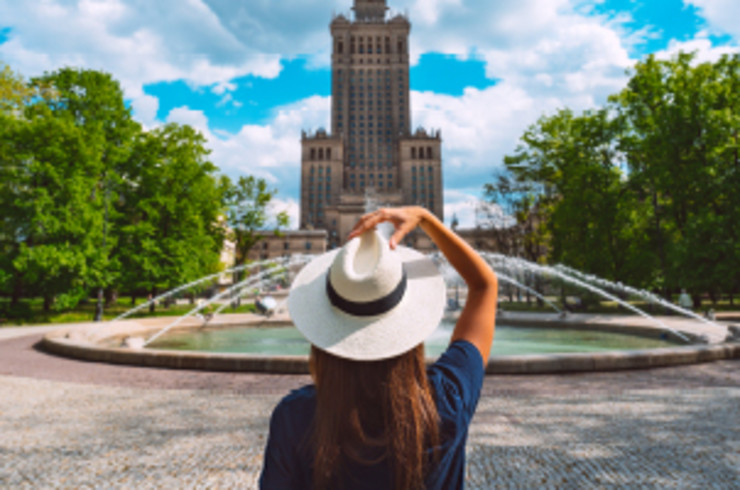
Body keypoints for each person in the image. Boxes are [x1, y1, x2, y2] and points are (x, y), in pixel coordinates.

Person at [259, 206, 498, 489]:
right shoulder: (446, 401)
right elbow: (484, 285)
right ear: (409, 326)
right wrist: (425, 218)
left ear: (323, 337)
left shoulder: (296, 417)